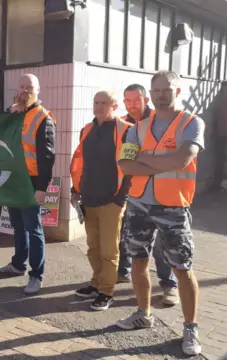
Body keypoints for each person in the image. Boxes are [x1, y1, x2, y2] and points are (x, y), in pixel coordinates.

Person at [116, 71, 204, 356]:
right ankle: (144, 313)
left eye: (166, 89)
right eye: (156, 90)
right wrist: (160, 161)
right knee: (138, 262)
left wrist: (144, 156)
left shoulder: (191, 123)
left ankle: (190, 327)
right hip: (139, 204)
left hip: (173, 206)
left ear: (178, 91)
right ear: (150, 94)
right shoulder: (137, 128)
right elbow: (125, 166)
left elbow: (183, 158)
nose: (161, 95)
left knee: (182, 268)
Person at [0, 73, 56, 295]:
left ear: (38, 90)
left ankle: (36, 275)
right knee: (18, 226)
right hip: (13, 180)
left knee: (33, 228)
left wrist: (41, 188)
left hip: (30, 183)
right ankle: (18, 264)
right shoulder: (13, 112)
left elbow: (47, 157)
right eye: (22, 86)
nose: (25, 90)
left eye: (30, 87)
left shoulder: (43, 118)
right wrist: (8, 113)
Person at [117, 84, 179, 307]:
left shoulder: (159, 123)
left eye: (137, 99)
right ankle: (122, 272)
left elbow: (170, 159)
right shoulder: (124, 125)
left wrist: (140, 162)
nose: (132, 105)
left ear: (146, 99)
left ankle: (169, 285)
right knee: (129, 237)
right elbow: (124, 162)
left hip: (162, 194)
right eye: (128, 100)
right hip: (131, 191)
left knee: (163, 244)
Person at [70, 91, 132, 311]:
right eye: (95, 102)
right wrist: (75, 190)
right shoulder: (87, 129)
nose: (98, 106)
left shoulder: (126, 131)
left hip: (111, 201)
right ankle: (97, 283)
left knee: (109, 251)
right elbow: (82, 163)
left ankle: (107, 291)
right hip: (89, 198)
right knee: (93, 248)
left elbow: (130, 169)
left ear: (114, 106)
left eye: (103, 103)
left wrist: (120, 200)